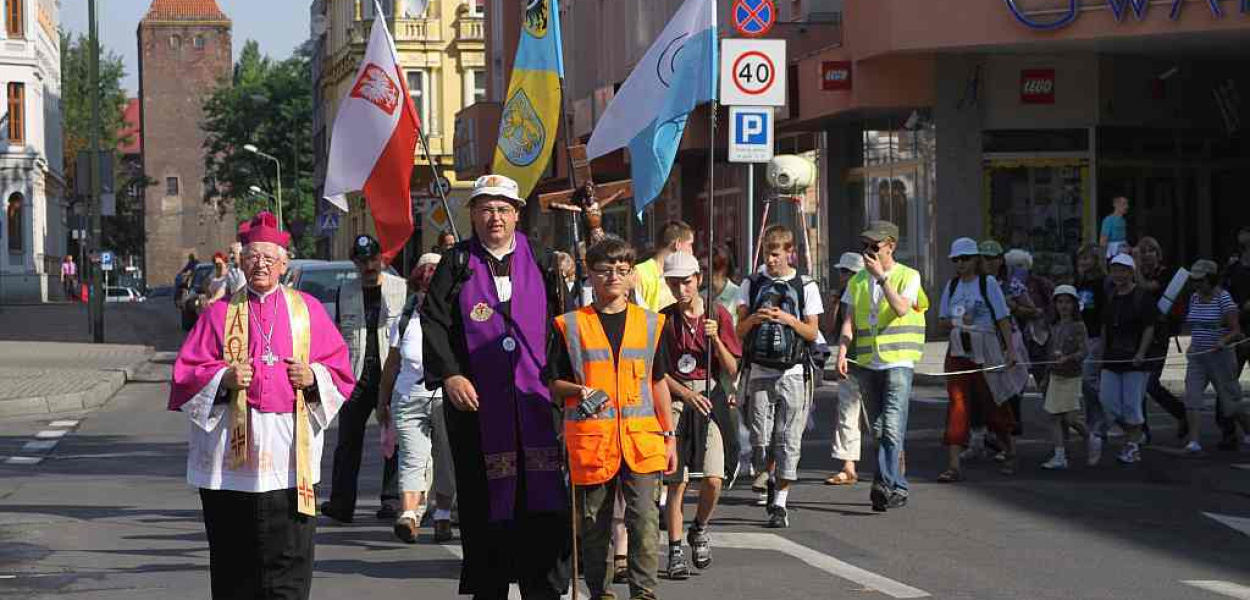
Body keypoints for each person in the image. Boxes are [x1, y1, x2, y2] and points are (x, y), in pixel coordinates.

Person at [168, 211, 355, 600]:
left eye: (270, 257)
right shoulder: (219, 314)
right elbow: (185, 375)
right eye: (253, 256)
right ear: (241, 261)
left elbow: (340, 372)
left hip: (288, 454)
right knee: (235, 559)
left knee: (290, 556)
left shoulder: (308, 310)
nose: (261, 265)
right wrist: (224, 378)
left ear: (284, 264)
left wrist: (313, 376)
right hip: (231, 459)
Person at [422, 174, 571, 600]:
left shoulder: (542, 260)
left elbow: (562, 327)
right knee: (483, 501)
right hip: (476, 409)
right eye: (486, 209)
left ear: (518, 214)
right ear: (472, 213)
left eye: (504, 209)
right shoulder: (456, 263)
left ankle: (543, 586)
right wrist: (451, 374)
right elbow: (434, 321)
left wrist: (561, 384)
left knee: (541, 500)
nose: (495, 218)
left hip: (535, 403)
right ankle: (489, 587)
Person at [549, 236, 677, 600]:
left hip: (642, 440)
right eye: (605, 270)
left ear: (633, 275)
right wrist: (579, 391)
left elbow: (658, 383)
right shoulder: (570, 325)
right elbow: (553, 382)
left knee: (645, 519)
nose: (614, 277)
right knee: (594, 525)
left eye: (622, 270)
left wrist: (670, 436)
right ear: (589, 274)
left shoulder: (651, 324)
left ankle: (644, 591)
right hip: (593, 441)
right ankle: (600, 591)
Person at [658, 252, 740, 579]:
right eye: (674, 283)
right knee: (676, 482)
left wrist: (715, 338)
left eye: (686, 282)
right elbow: (658, 373)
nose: (681, 289)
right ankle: (675, 551)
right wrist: (685, 394)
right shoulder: (664, 320)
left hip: (710, 398)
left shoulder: (718, 314)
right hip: (677, 400)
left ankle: (700, 527)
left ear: (699, 280)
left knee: (714, 477)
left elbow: (732, 369)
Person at [736, 225, 823, 528]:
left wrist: (787, 319)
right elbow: (738, 331)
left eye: (775, 254)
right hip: (759, 371)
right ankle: (768, 474)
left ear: (790, 253)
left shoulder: (805, 285)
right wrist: (754, 318)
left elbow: (812, 332)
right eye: (766, 254)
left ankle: (780, 505)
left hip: (794, 372)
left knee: (789, 439)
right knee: (760, 439)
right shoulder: (751, 283)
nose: (770, 260)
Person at [837, 221, 926, 513]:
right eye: (865, 246)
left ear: (891, 246)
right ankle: (896, 485)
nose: (868, 252)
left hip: (899, 360)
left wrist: (882, 279)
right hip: (868, 362)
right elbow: (849, 321)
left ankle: (883, 483)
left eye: (874, 246)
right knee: (877, 429)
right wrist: (841, 351)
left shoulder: (908, 275)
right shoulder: (858, 281)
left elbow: (901, 308)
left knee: (892, 426)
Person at [322, 235, 406, 523]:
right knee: (347, 441)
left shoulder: (399, 288)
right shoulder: (345, 291)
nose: (369, 266)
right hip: (356, 375)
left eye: (373, 259)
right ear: (354, 263)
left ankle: (391, 500)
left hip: (391, 373)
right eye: (362, 261)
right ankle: (341, 503)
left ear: (381, 258)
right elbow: (337, 334)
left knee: (394, 439)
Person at [377, 254, 457, 543]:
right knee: (412, 457)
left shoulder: (455, 318)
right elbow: (392, 364)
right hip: (409, 397)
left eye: (433, 285)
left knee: (446, 459)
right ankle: (409, 515)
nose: (427, 292)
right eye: (423, 285)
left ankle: (443, 515)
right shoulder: (405, 318)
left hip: (446, 398)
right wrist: (382, 401)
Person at [937, 238, 1020, 482]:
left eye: (965, 258)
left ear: (976, 259)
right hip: (958, 351)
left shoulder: (988, 283)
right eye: (956, 259)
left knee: (993, 401)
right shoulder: (952, 285)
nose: (960, 263)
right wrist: (958, 322)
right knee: (957, 404)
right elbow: (941, 320)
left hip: (986, 349)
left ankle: (1009, 449)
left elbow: (1002, 318)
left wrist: (1011, 351)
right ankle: (954, 465)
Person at [1180, 259, 1250, 454]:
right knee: (1192, 397)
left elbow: (1236, 330)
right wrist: (1192, 345)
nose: (1197, 284)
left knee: (1230, 404)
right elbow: (1195, 324)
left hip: (1221, 357)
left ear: (1211, 279)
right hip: (1198, 355)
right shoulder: (1194, 298)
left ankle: (1248, 429)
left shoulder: (1224, 299)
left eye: (1201, 280)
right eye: (1194, 280)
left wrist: (1223, 341)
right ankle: (1194, 441)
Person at [1098, 253, 1156, 465]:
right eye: (1115, 270)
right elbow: (1105, 327)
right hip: (1112, 358)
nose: (1118, 275)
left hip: (1135, 361)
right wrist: (1101, 354)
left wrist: (1141, 352)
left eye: (1123, 270)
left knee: (1132, 405)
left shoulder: (1142, 296)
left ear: (1132, 272)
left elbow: (1149, 327)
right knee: (1108, 402)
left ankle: (1132, 446)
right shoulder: (1111, 295)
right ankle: (1134, 434)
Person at [1135, 236, 1187, 442]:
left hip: (1159, 334)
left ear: (1158, 254)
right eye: (1143, 251)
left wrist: (1135, 265)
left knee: (1151, 384)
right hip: (1137, 333)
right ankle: (1142, 430)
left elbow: (1147, 287)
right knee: (1137, 383)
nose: (1146, 255)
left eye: (1151, 250)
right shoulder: (1134, 273)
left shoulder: (1165, 273)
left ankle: (1181, 413)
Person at [980, 239, 1030, 439]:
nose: (989, 262)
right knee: (987, 388)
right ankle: (989, 433)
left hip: (1010, 339)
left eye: (994, 258)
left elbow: (1034, 311)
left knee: (1012, 385)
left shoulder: (1012, 284)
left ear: (1001, 260)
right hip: (982, 340)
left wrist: (1014, 307)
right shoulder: (973, 284)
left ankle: (1011, 429)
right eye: (985, 258)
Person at [825, 252, 865, 486]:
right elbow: (830, 328)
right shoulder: (842, 297)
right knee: (847, 413)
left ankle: (891, 463)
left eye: (847, 272)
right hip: (849, 359)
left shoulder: (868, 291)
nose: (842, 276)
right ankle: (848, 466)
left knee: (878, 415)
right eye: (842, 271)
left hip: (873, 360)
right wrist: (835, 304)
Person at [1040, 285, 1090, 470]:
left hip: (1072, 376)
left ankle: (1091, 437)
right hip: (1055, 375)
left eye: (1068, 302)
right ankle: (1059, 456)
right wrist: (1046, 376)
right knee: (1053, 416)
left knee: (1070, 418)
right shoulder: (1053, 326)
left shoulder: (1078, 326)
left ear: (1074, 304)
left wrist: (1068, 358)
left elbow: (1084, 351)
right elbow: (1049, 353)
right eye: (1060, 302)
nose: (1064, 306)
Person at [1075, 243, 1110, 463]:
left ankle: (1109, 413)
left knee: (1089, 379)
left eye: (1087, 258)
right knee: (1086, 385)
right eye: (1081, 259)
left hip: (1096, 336)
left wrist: (1104, 342)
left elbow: (1105, 314)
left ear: (1096, 260)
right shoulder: (1081, 281)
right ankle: (1094, 427)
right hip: (1083, 335)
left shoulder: (1102, 282)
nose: (1083, 262)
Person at [1004, 249, 1054, 395]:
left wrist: (1040, 314)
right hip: (1014, 335)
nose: (1017, 269)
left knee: (1041, 373)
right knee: (1017, 376)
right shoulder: (1006, 285)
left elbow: (1051, 306)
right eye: (1012, 266)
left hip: (1038, 336)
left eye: (1020, 265)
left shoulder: (1040, 283)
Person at [1222, 226, 1250, 449]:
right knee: (1227, 382)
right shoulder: (1233, 268)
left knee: (1228, 381)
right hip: (1236, 329)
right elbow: (1224, 292)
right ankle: (1228, 431)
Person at [634, 220, 693, 312]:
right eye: (690, 245)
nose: (691, 251)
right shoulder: (640, 273)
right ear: (677, 244)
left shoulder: (683, 275)